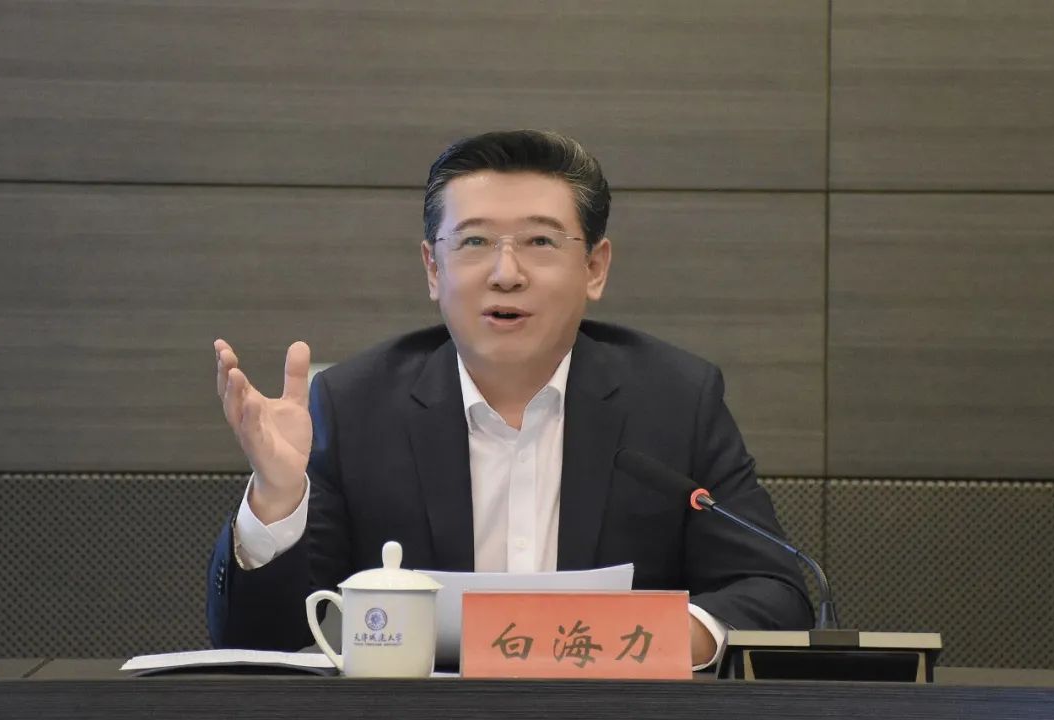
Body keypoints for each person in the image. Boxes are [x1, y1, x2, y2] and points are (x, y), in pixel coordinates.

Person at [206, 130, 812, 667]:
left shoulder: (675, 401)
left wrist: (659, 639)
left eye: (541, 242)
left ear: (595, 268)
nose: (506, 273)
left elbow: (774, 591)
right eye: (474, 242)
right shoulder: (354, 405)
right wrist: (277, 502)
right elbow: (257, 643)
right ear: (433, 268)